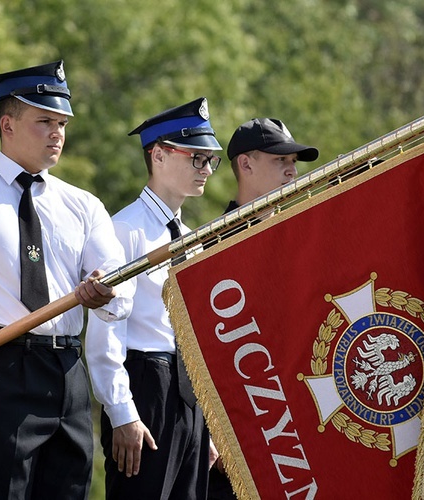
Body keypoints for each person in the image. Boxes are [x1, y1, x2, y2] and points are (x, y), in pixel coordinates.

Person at [0, 60, 133, 499]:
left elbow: (120, 287)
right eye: (44, 121)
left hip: (67, 372)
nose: (57, 133)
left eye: (62, 123)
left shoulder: (83, 205)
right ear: (7, 124)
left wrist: (105, 290)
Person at [85, 97, 222, 499]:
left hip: (186, 392)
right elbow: (106, 331)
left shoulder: (187, 237)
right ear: (158, 155)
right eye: (197, 158)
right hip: (147, 384)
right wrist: (122, 412)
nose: (207, 170)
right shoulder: (125, 229)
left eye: (210, 160)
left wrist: (202, 424)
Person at [206, 117, 319, 499]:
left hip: (303, 429)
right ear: (246, 164)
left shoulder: (301, 240)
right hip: (244, 435)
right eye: (279, 159)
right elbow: (199, 355)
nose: (291, 168)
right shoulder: (212, 250)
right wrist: (210, 433)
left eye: (294, 161)